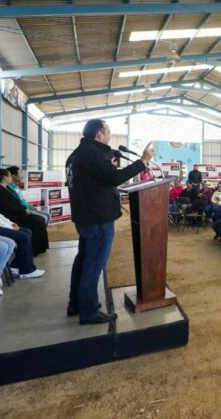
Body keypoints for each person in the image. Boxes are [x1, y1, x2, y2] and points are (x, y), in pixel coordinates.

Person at [65, 119, 154, 325]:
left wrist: (108, 164)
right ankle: (88, 312)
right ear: (99, 134)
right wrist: (143, 161)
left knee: (83, 260)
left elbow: (99, 178)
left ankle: (76, 304)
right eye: (108, 131)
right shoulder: (93, 154)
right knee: (94, 263)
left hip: (86, 217)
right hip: (98, 218)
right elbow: (115, 178)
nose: (110, 135)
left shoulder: (77, 155)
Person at [0, 172, 44, 279]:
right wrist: (10, 227)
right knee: (23, 235)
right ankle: (27, 270)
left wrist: (10, 223)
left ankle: (15, 265)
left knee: (27, 232)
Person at [0, 169, 49, 256]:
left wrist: (25, 209)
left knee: (39, 219)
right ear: (5, 178)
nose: (11, 178)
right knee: (36, 221)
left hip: (18, 212)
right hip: (11, 215)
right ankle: (34, 249)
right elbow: (6, 207)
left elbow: (18, 202)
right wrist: (23, 211)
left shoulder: (6, 187)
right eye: (9, 176)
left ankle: (41, 248)